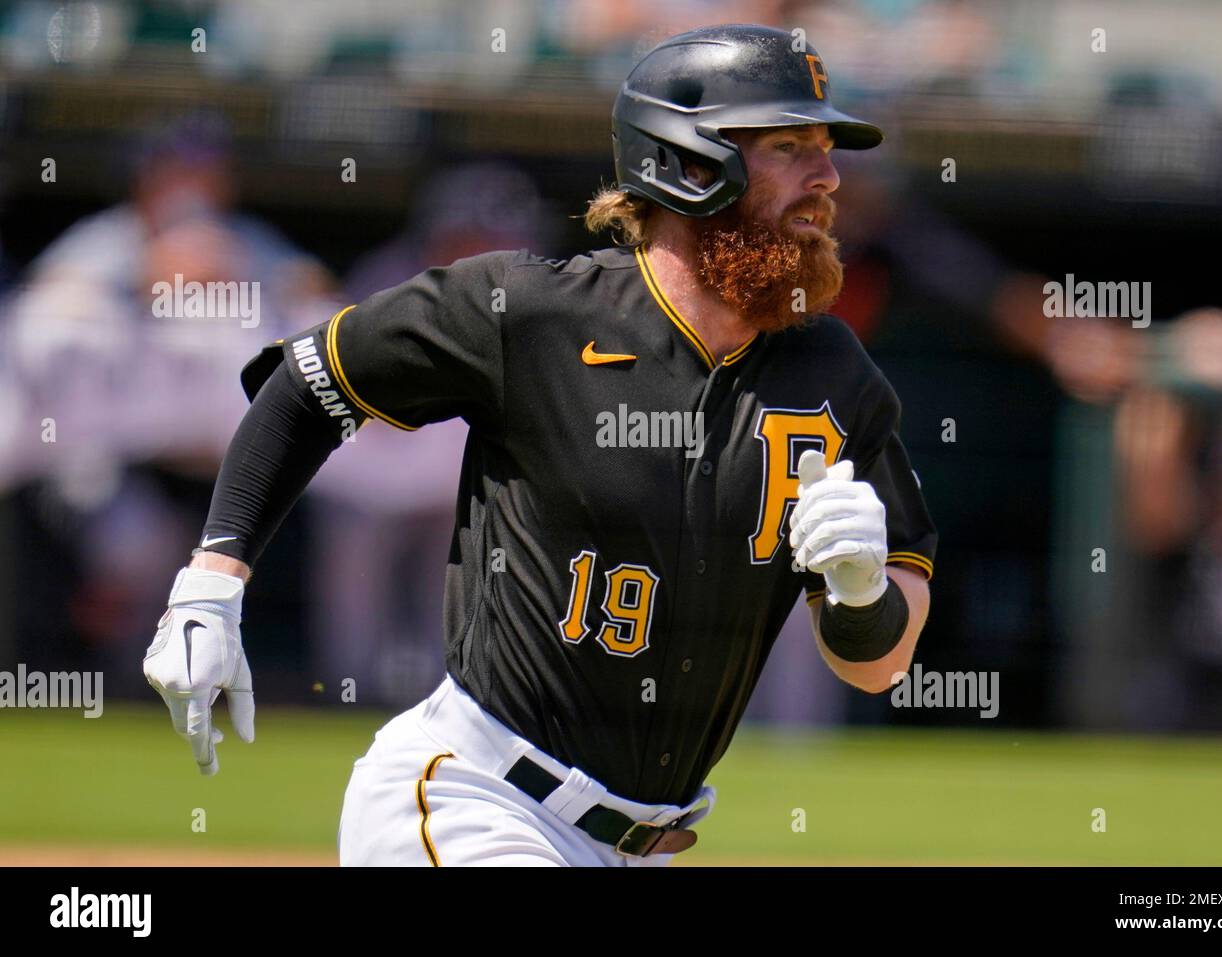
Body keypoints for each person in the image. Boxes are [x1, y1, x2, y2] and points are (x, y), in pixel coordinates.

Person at [142, 24, 938, 867]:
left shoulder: (831, 372)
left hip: (639, 846)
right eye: (790, 145)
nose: (828, 176)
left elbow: (880, 664)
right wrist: (210, 585)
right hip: (475, 798)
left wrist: (858, 596)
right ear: (688, 164)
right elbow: (307, 386)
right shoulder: (525, 313)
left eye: (827, 148)